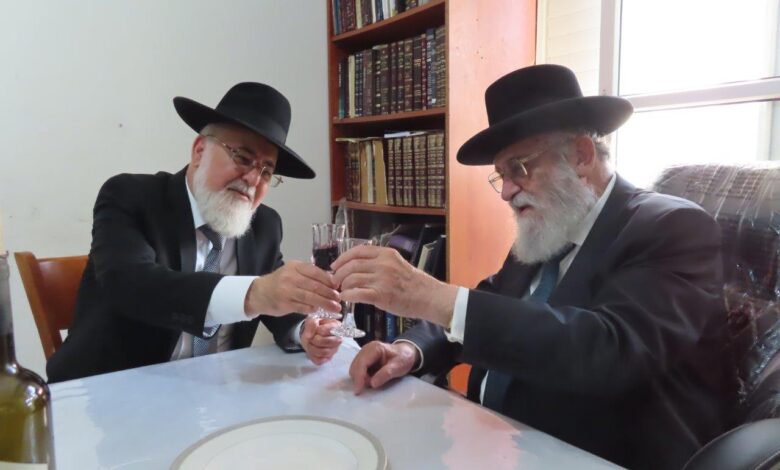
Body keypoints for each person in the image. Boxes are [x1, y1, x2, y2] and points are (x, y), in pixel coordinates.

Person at [332, 65, 735, 470]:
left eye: (519, 168)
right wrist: (409, 349)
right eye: (501, 176)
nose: (506, 192)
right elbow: (485, 306)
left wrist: (431, 296)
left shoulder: (672, 227)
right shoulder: (550, 227)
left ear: (581, 155)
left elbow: (611, 349)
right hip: (497, 442)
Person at [47, 82, 343, 383]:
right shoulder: (131, 196)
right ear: (200, 150)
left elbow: (274, 302)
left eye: (267, 171)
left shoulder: (264, 225)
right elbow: (129, 284)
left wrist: (304, 330)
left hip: (212, 392)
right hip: (109, 390)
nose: (254, 179)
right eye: (242, 157)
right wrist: (255, 293)